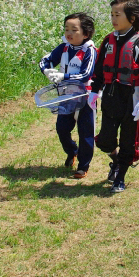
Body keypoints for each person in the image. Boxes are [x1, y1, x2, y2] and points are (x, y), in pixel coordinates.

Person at [90, 0, 139, 192]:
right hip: (112, 96)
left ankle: (120, 177)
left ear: (133, 18)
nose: (113, 18)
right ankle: (116, 161)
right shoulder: (108, 40)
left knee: (129, 141)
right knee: (105, 139)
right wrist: (95, 90)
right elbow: (100, 67)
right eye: (111, 14)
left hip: (132, 98)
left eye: (117, 14)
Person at [39, 13, 98, 178]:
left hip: (86, 97)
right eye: (66, 29)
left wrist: (64, 77)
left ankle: (83, 166)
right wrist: (48, 71)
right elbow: (45, 60)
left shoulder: (90, 51)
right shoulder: (63, 47)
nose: (69, 33)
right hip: (65, 97)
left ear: (86, 33)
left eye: (74, 29)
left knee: (86, 132)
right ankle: (72, 151)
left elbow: (86, 74)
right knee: (62, 129)